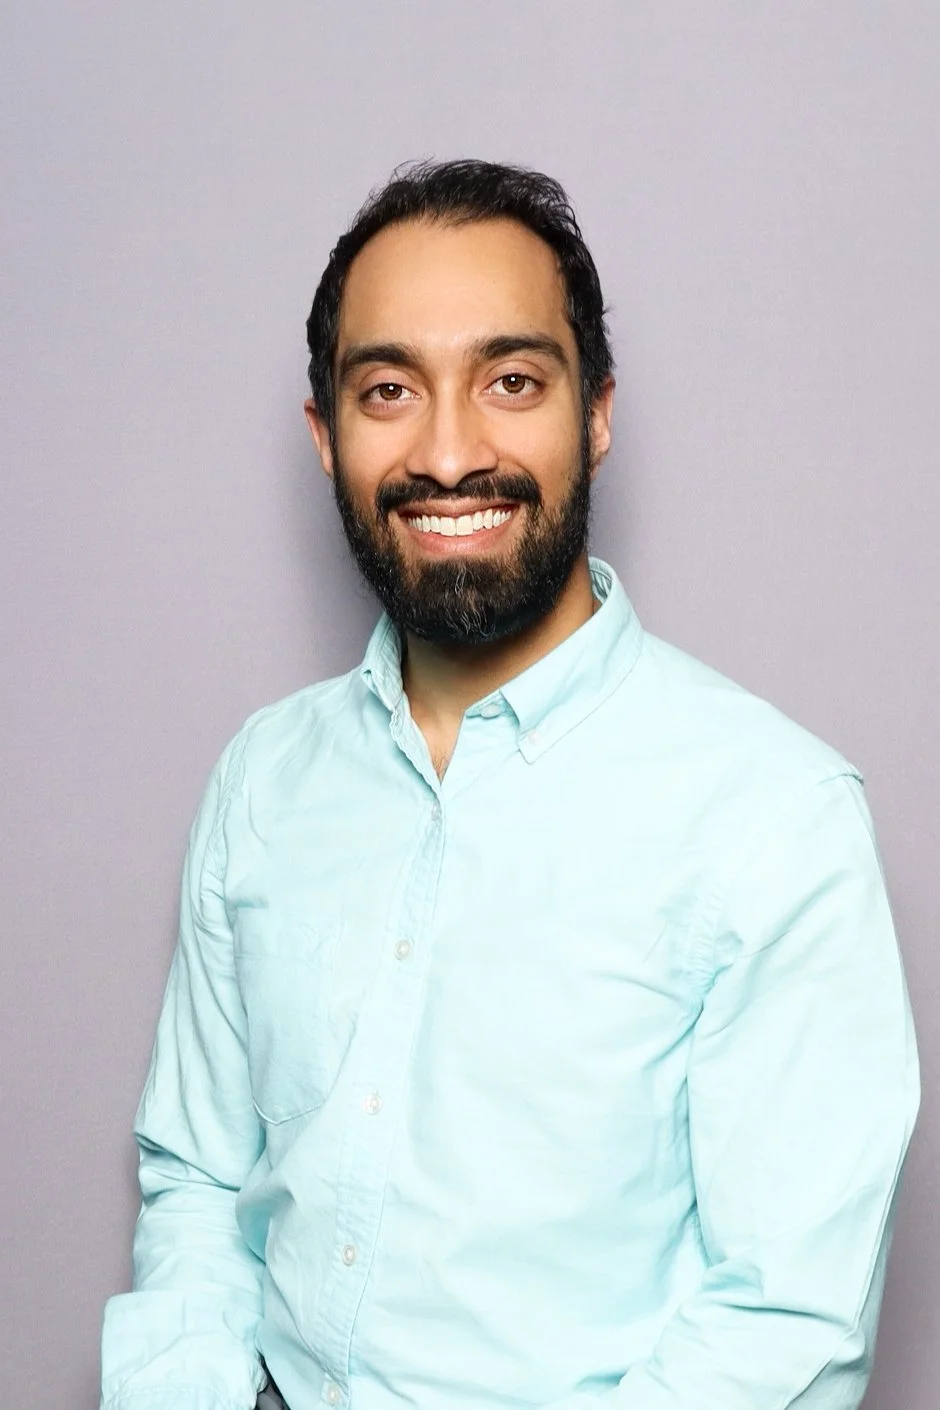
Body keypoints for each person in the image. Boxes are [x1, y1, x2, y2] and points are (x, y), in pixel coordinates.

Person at [100, 159, 919, 1410]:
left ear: (594, 413)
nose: (446, 451)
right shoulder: (262, 778)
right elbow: (201, 1180)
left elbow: (780, 1321)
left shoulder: (772, 818)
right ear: (326, 438)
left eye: (511, 381)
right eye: (387, 389)